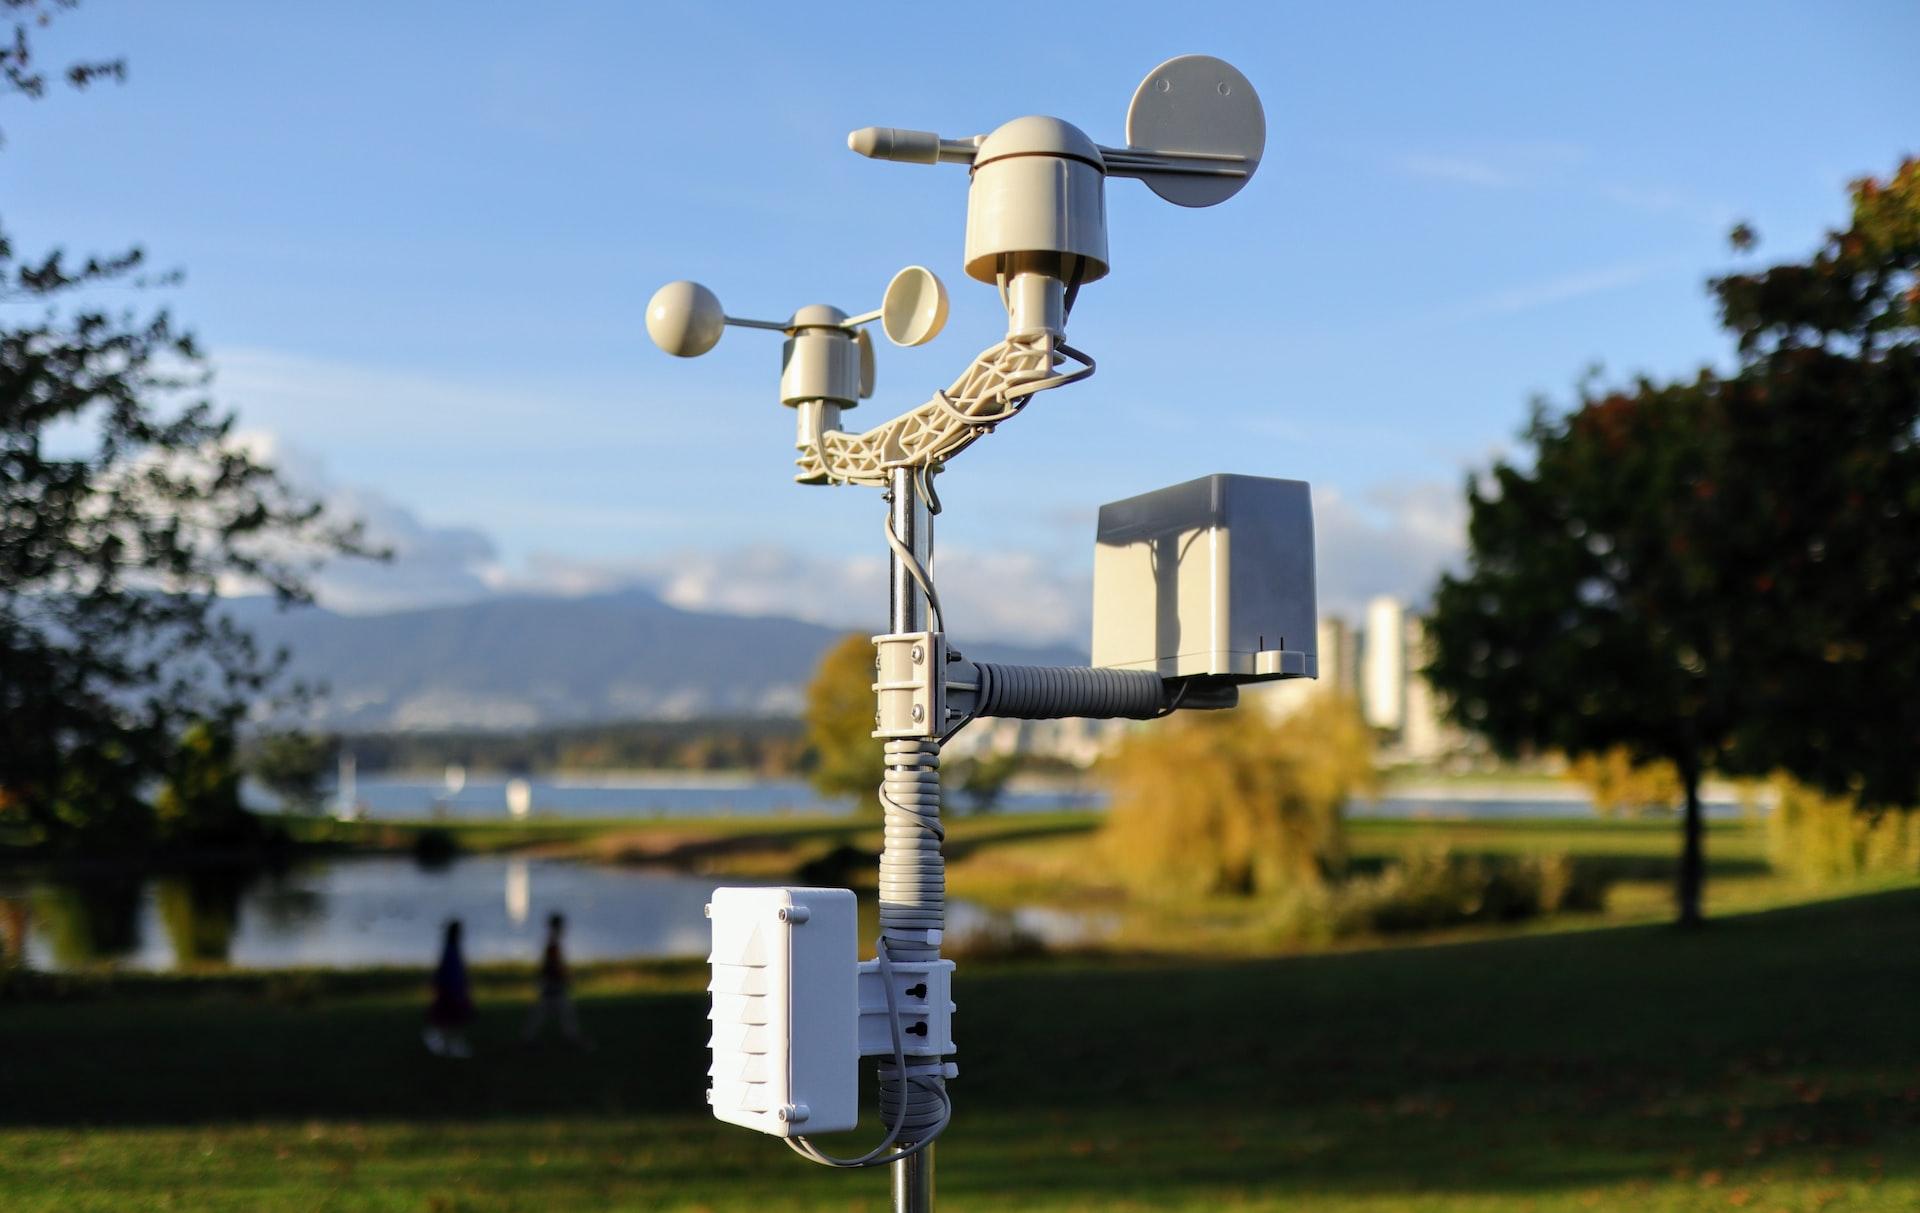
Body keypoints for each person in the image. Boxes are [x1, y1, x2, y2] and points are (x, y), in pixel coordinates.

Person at [522, 912, 591, 1049]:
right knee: (561, 1013)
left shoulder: (551, 942)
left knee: (544, 1013)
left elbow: (549, 965)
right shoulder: (553, 944)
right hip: (553, 985)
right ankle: (573, 1039)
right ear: (558, 926)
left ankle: (528, 1039)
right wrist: (566, 977)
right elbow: (554, 965)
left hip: (550, 985)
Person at [424, 919, 475, 1058]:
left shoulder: (450, 949)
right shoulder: (452, 950)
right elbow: (450, 973)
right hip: (452, 991)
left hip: (453, 990)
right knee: (452, 1019)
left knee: (449, 1019)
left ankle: (446, 1043)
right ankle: (448, 1044)